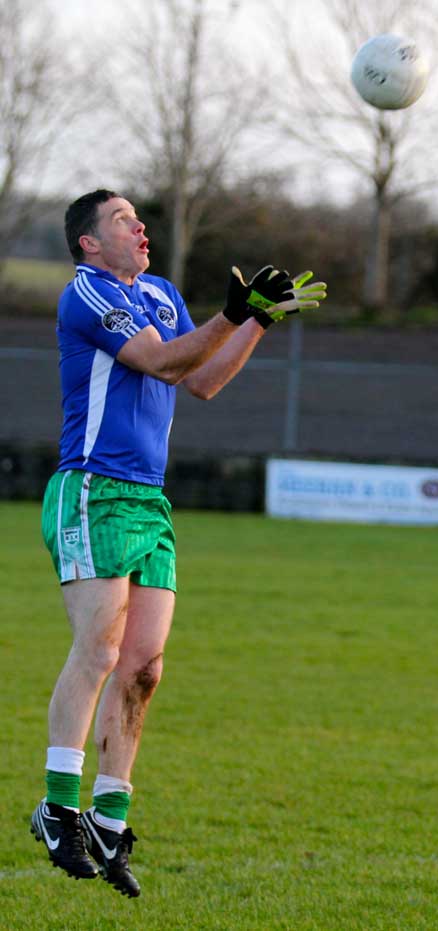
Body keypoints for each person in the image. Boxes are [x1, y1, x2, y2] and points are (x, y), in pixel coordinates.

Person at [30, 189, 326, 898]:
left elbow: (199, 380)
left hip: (148, 501)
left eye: (138, 217)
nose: (140, 226)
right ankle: (56, 806)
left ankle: (108, 815)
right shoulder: (86, 295)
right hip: (92, 490)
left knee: (143, 667)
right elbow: (158, 363)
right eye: (122, 220)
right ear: (88, 243)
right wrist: (232, 310)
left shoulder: (160, 292)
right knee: (98, 650)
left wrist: (254, 321)